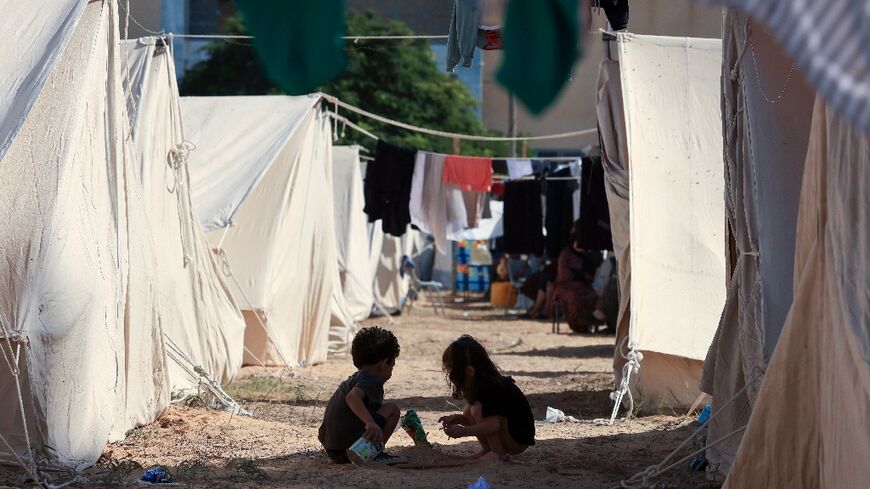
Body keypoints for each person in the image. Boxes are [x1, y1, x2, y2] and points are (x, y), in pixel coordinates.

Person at [438, 335, 535, 462]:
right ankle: (489, 450)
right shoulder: (480, 384)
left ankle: (498, 452)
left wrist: (464, 431)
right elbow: (479, 421)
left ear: (469, 371)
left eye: (452, 372)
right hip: (507, 432)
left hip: (517, 439)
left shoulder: (491, 387)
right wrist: (459, 419)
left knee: (477, 409)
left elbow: (492, 425)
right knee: (469, 410)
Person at [318, 326, 404, 464]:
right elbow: (352, 397)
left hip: (333, 449)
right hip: (351, 450)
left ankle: (368, 451)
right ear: (383, 364)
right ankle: (373, 453)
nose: (391, 371)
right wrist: (370, 423)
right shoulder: (371, 379)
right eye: (392, 366)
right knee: (392, 409)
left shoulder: (356, 378)